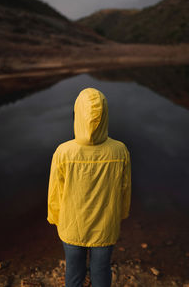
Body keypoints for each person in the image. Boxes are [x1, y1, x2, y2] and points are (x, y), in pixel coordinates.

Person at [47, 87, 131, 287]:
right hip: (106, 226)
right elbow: (125, 189)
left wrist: (55, 217)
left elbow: (55, 192)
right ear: (105, 115)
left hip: (71, 226)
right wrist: (121, 215)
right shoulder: (120, 150)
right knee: (101, 272)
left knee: (74, 274)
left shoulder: (64, 152)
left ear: (78, 114)